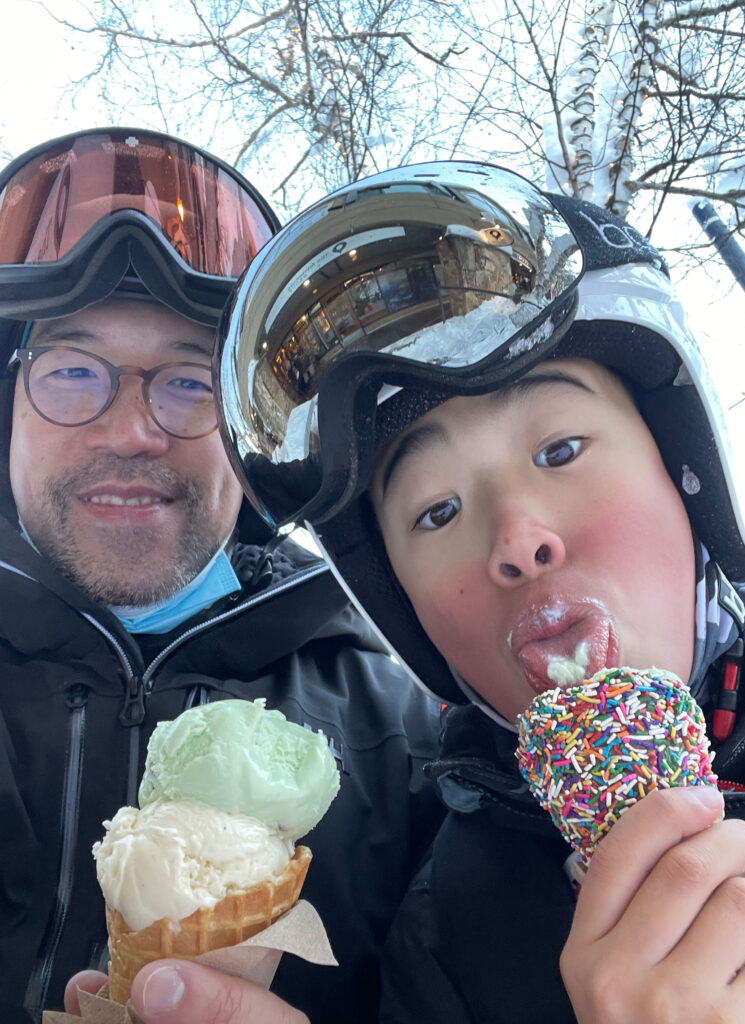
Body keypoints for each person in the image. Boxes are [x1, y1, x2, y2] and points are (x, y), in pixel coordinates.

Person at [216, 160, 745, 1023]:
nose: (517, 540)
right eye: (437, 511)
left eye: (560, 452)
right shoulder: (447, 937)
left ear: (683, 472)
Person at [0, 129, 443, 1024]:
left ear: (254, 434)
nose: (129, 432)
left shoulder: (410, 734)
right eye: (73, 370)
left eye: (192, 384)